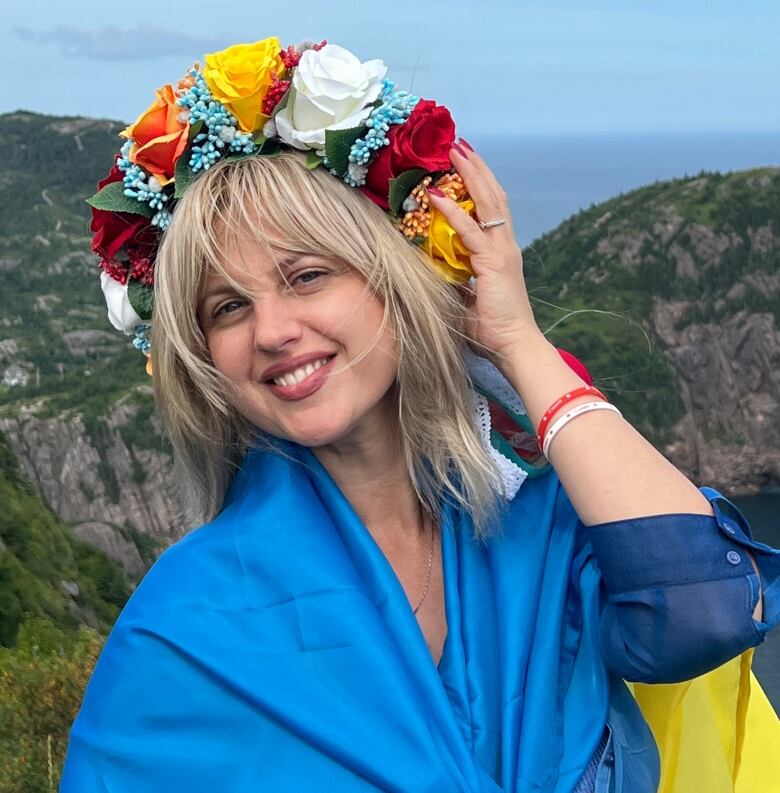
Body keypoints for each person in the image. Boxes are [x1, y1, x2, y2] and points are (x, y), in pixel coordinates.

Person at [62, 37, 779, 792]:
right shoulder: (183, 633)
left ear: (395, 281)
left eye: (306, 276)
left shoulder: (546, 545)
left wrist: (516, 343)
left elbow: (712, 606)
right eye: (229, 307)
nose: (271, 331)